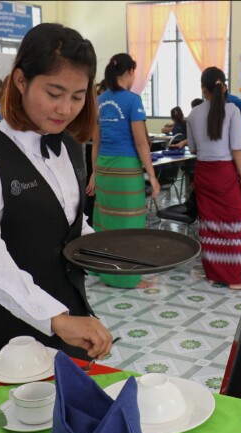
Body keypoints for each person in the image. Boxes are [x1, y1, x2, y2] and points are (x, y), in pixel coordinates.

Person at [0, 24, 113, 359]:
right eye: (54, 94)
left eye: (78, 97)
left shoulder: (69, 145)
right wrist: (54, 317)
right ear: (21, 81)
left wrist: (110, 253)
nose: (65, 109)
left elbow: (69, 220)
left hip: (72, 312)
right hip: (14, 329)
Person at [87, 53, 159, 289]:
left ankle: (107, 272)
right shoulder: (132, 101)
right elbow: (141, 143)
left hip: (105, 170)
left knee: (106, 222)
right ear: (129, 72)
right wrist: (153, 176)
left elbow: (95, 142)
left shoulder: (99, 100)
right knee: (130, 224)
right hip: (126, 172)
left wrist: (95, 173)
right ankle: (128, 278)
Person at [186, 67, 241, 290]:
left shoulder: (193, 114)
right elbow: (237, 148)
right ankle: (234, 278)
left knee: (209, 224)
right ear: (223, 87)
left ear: (204, 89)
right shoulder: (232, 110)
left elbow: (192, 148)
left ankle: (213, 274)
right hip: (224, 174)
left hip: (203, 173)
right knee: (233, 221)